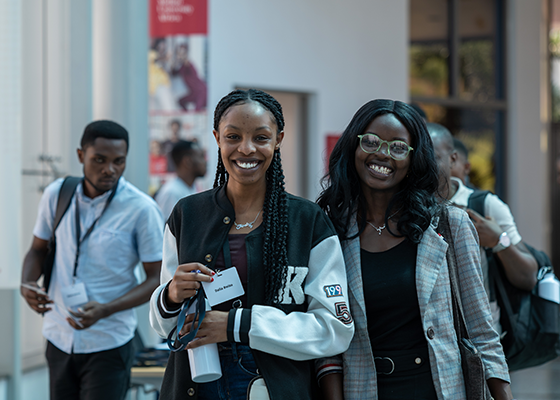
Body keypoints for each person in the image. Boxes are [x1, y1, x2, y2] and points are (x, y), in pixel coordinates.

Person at [149, 89, 354, 400]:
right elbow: (163, 326)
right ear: (217, 138)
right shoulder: (187, 214)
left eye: (260, 137)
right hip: (196, 382)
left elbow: (334, 329)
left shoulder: (307, 221)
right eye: (233, 137)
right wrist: (171, 295)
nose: (246, 149)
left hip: (275, 386)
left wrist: (236, 325)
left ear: (278, 139)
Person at [316, 100, 511, 399]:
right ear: (353, 146)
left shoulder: (450, 225)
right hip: (366, 389)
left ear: (413, 158)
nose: (382, 154)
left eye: (397, 147)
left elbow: (482, 333)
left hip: (439, 390)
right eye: (370, 141)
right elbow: (326, 337)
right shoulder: (330, 230)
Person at [20, 120, 164, 400]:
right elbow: (37, 250)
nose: (109, 169)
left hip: (109, 342)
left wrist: (105, 309)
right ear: (80, 156)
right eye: (99, 159)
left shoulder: (141, 209)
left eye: (118, 161)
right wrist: (27, 282)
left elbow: (157, 278)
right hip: (58, 336)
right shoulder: (57, 194)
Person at [428, 123, 538, 332]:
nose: (423, 164)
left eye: (432, 156)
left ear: (452, 159)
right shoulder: (402, 207)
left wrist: (499, 241)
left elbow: (528, 276)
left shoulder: (485, 205)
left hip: (479, 337)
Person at [155, 139, 207, 221]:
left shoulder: (191, 187)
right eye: (201, 157)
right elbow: (167, 230)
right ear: (187, 161)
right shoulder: (171, 193)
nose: (205, 162)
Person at [171, 43, 207, 111]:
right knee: (181, 101)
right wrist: (174, 60)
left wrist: (180, 56)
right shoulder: (182, 67)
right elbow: (173, 73)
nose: (180, 55)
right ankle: (186, 114)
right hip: (193, 93)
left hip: (201, 91)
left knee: (197, 112)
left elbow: (185, 61)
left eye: (182, 53)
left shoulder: (189, 64)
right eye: (179, 53)